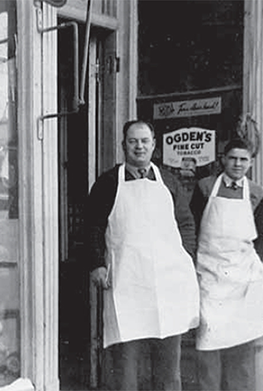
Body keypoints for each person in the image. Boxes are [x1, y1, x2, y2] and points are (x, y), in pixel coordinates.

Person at [85, 120, 199, 390]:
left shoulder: (169, 181)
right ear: (124, 145)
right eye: (133, 141)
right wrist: (96, 265)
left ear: (153, 145)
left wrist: (187, 258)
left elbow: (185, 223)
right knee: (126, 367)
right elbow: (91, 227)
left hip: (166, 284)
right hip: (128, 283)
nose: (139, 146)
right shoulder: (108, 182)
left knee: (168, 369)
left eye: (144, 141)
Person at [189, 138, 263, 391]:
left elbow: (262, 235)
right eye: (233, 158)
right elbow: (192, 227)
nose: (237, 164)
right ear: (223, 159)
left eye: (243, 159)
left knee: (242, 343)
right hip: (210, 275)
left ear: (251, 163)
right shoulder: (205, 187)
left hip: (242, 276)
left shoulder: (256, 192)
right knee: (208, 342)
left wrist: (252, 268)